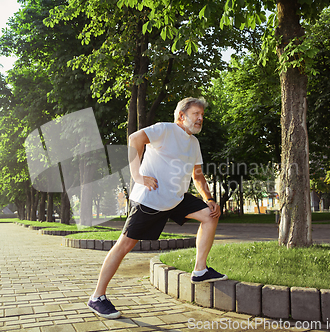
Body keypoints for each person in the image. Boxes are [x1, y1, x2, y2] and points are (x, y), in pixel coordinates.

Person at [87, 97, 228, 319]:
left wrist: (209, 198)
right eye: (196, 114)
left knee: (210, 215)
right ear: (182, 116)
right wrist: (137, 176)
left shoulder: (193, 143)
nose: (201, 118)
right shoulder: (165, 129)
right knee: (124, 245)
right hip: (151, 199)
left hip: (176, 199)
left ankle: (200, 269)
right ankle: (97, 297)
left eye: (202, 115)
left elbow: (197, 175)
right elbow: (135, 139)